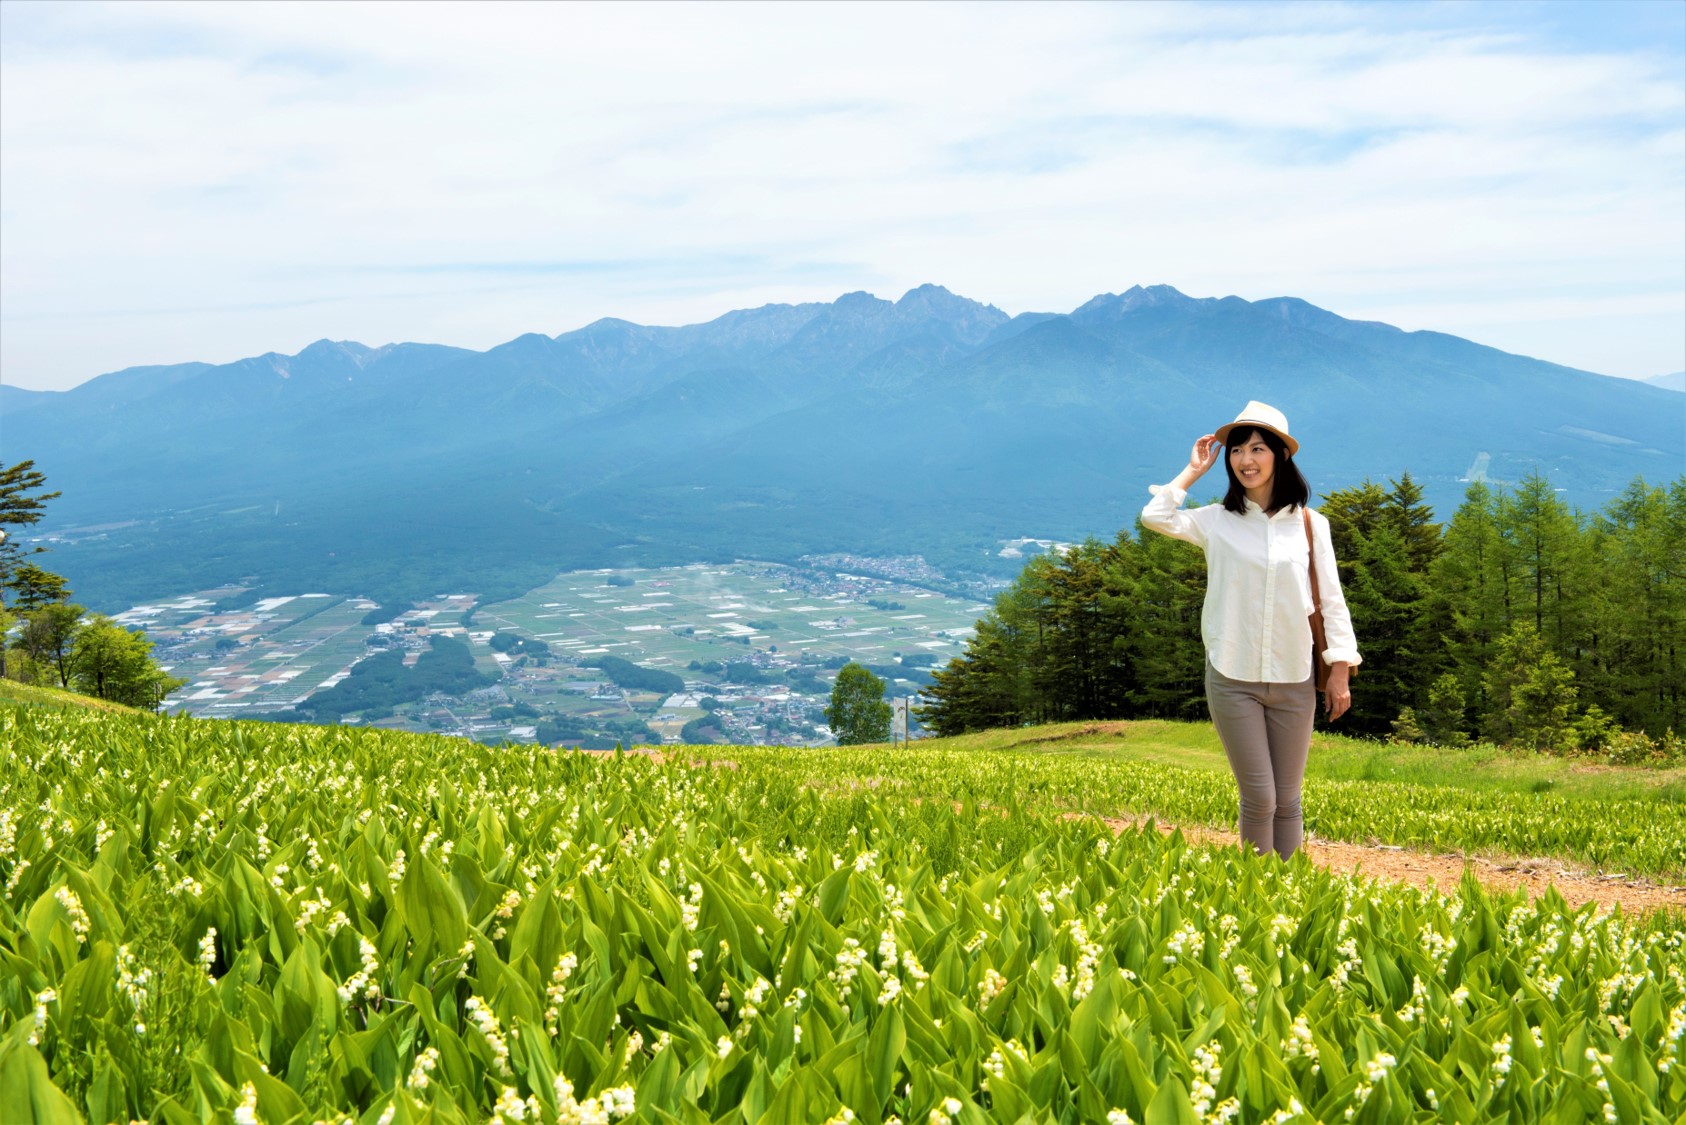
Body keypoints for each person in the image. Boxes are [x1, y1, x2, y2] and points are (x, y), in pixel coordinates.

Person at [1140, 401, 1360, 859]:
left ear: (1281, 454)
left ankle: (1288, 886)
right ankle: (1255, 886)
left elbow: (1331, 599)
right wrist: (1192, 471)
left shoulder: (1310, 524)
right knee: (1260, 797)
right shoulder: (1215, 521)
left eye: (1258, 448)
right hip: (1232, 676)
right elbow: (1155, 517)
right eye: (1237, 450)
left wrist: (1339, 669)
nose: (1245, 460)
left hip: (1294, 676)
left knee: (1288, 800)